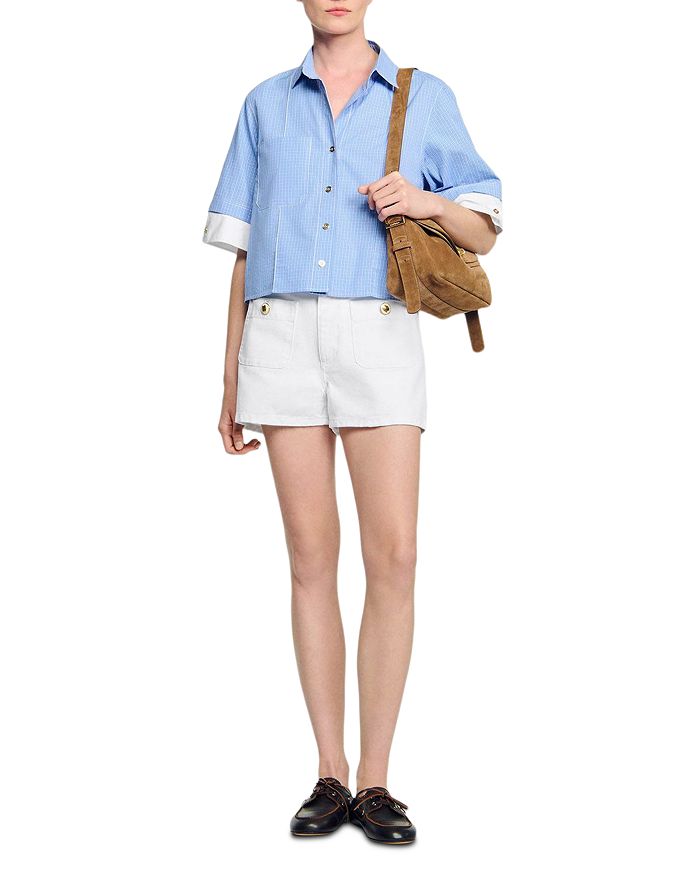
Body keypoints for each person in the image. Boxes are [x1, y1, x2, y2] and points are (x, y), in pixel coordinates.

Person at [202, 0, 502, 845]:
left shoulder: (421, 96)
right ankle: (329, 772)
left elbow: (485, 230)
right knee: (310, 559)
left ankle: (377, 779)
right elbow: (245, 249)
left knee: (395, 555)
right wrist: (229, 374)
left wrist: (424, 201)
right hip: (280, 332)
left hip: (378, 328)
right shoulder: (264, 103)